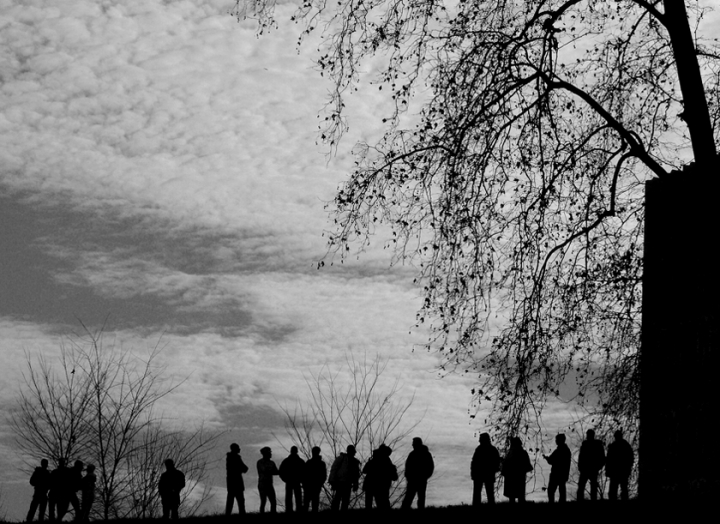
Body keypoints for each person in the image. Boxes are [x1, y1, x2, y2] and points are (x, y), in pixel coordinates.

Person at [401, 437, 434, 509]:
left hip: (421, 479)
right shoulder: (413, 454)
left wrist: (425, 476)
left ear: (417, 444)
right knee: (409, 497)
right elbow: (408, 466)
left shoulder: (425, 454)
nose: (412, 445)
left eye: (413, 443)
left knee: (420, 497)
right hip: (412, 480)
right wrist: (408, 476)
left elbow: (430, 467)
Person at [362, 444, 397, 510]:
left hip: (371, 484)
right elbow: (394, 477)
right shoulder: (386, 461)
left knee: (371, 503)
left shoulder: (374, 460)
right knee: (381, 503)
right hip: (380, 485)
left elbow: (364, 470)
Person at [471, 433, 501, 506]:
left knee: (485, 493)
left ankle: (478, 506)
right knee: (485, 493)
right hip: (484, 474)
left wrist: (473, 472)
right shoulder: (492, 449)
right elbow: (474, 462)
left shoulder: (480, 449)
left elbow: (474, 462)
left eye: (481, 439)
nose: (479, 441)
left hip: (484, 473)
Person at [328, 445, 361, 511]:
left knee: (345, 500)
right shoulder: (341, 458)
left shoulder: (355, 462)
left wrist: (355, 483)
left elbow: (356, 474)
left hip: (348, 483)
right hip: (340, 482)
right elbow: (334, 469)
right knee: (337, 498)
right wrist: (332, 480)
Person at [577, 429, 605, 501]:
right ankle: (581, 500)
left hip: (592, 469)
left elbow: (602, 458)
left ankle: (591, 500)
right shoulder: (585, 445)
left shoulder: (597, 445)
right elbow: (581, 457)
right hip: (585, 469)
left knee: (591, 487)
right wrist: (580, 466)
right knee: (582, 487)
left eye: (588, 434)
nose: (587, 436)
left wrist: (598, 467)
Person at [605, 430, 634, 501]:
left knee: (622, 490)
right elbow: (609, 460)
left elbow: (630, 458)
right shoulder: (617, 445)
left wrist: (628, 468)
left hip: (622, 471)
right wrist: (608, 470)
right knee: (615, 491)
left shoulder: (623, 445)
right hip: (616, 472)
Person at [501, 437, 532, 503]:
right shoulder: (522, 452)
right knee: (516, 494)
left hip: (514, 476)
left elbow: (508, 463)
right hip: (517, 476)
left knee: (514, 495)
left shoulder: (513, 453)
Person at [543, 434, 571, 503]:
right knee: (562, 491)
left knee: (551, 491)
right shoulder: (567, 450)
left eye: (557, 439)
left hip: (556, 474)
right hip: (564, 474)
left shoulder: (558, 451)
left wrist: (546, 458)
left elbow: (551, 460)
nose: (556, 441)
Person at [279, 446, 305, 512]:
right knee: (289, 497)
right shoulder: (287, 461)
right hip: (290, 482)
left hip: (296, 482)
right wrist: (285, 479)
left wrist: (302, 480)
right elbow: (281, 471)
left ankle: (297, 510)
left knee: (297, 497)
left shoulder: (299, 461)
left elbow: (305, 472)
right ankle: (289, 510)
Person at [225, 443, 249, 516]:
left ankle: (228, 514)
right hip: (236, 481)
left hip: (233, 482)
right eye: (238, 448)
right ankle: (241, 514)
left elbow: (244, 468)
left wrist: (239, 469)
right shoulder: (235, 457)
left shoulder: (232, 457)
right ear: (235, 449)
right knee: (238, 500)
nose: (239, 449)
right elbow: (244, 468)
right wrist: (239, 469)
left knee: (232, 500)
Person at [303, 446, 327, 512]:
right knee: (307, 503)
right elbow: (304, 474)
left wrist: (320, 484)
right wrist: (304, 484)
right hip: (308, 485)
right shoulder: (309, 462)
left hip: (316, 485)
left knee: (315, 503)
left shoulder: (321, 463)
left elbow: (324, 475)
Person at [257, 447, 279, 513]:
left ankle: (273, 513)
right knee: (263, 501)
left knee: (273, 501)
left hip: (269, 484)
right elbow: (265, 470)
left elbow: (276, 472)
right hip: (262, 484)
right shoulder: (260, 462)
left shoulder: (272, 463)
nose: (271, 453)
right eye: (269, 452)